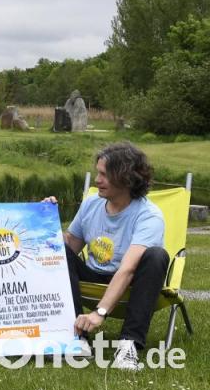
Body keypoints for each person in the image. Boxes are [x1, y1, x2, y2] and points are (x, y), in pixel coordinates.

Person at [46, 142, 168, 371]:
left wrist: (100, 312)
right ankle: (77, 339)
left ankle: (128, 346)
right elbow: (69, 246)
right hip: (93, 275)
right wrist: (45, 219)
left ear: (126, 178)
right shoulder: (91, 203)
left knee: (156, 256)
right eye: (97, 173)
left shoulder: (149, 216)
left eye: (104, 175)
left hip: (130, 282)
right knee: (59, 250)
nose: (97, 180)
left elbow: (128, 269)